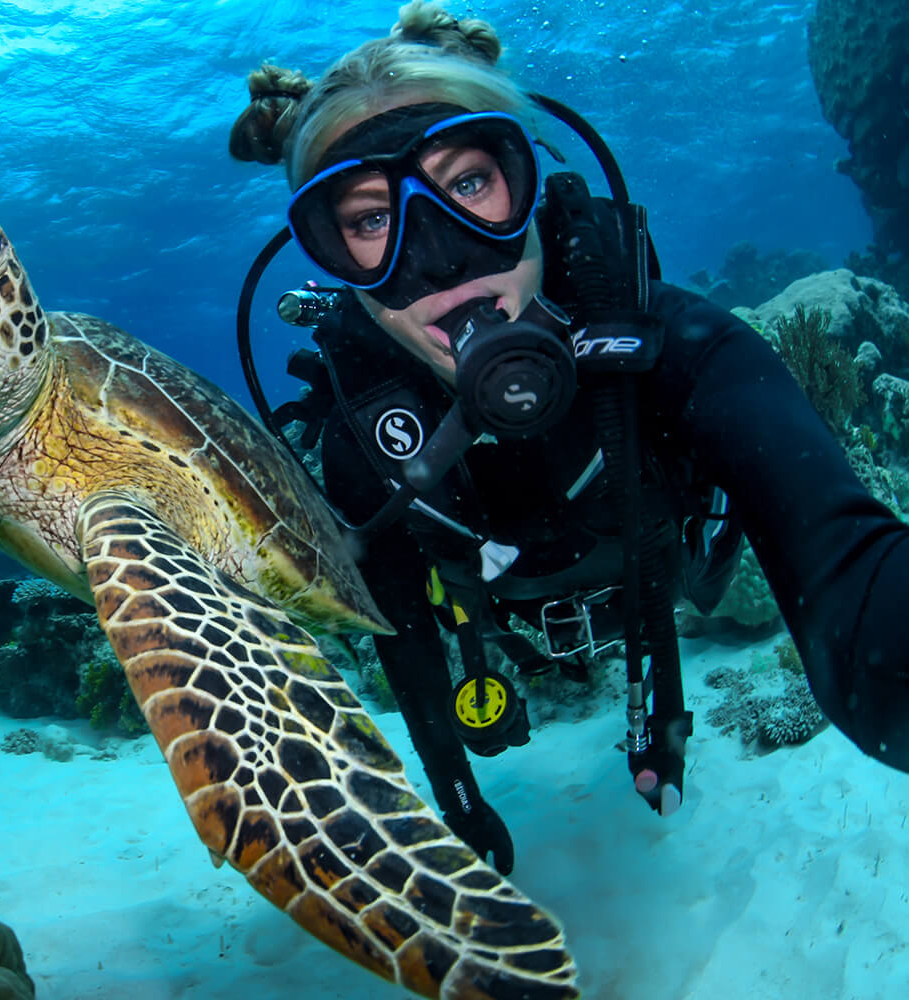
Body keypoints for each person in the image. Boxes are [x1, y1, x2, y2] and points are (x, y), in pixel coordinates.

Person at [227, 0, 909, 876]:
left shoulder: (673, 350)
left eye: (470, 183)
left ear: (529, 183)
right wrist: (458, 800)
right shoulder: (367, 439)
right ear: (331, 259)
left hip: (657, 577)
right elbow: (401, 631)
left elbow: (852, 582)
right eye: (368, 220)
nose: (442, 258)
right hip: (501, 613)